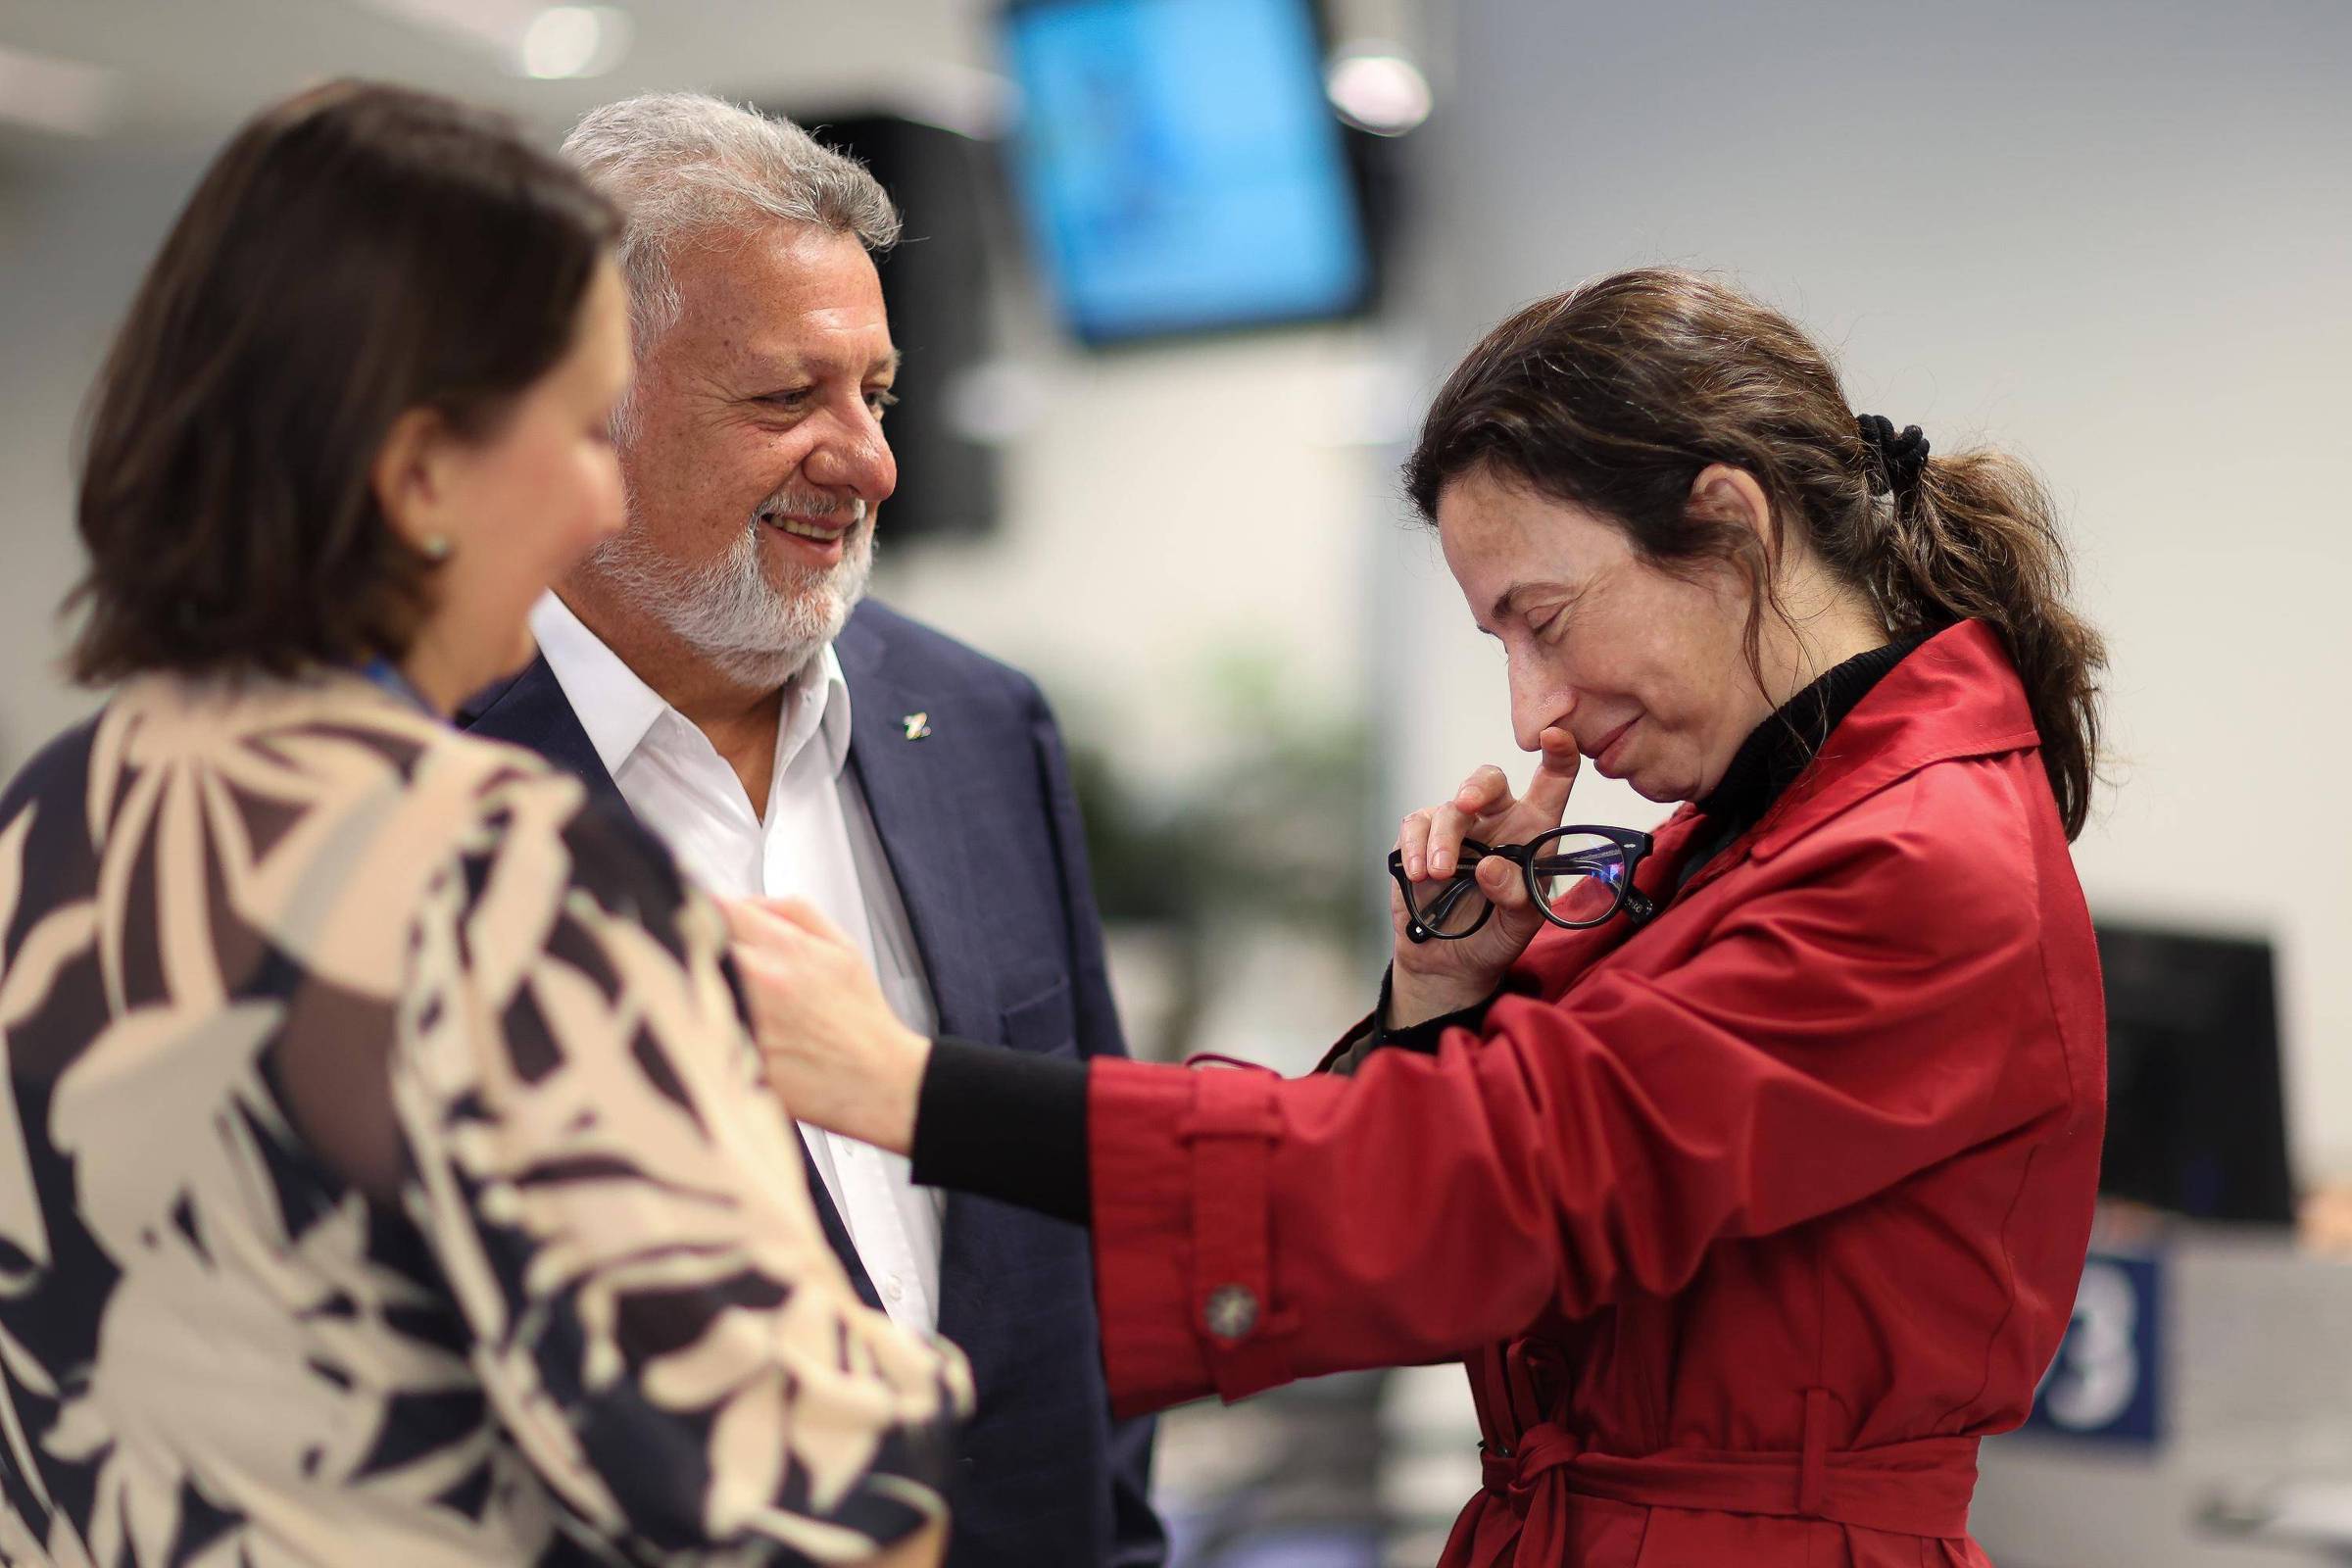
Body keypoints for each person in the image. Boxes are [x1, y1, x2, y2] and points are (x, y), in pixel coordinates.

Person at [727, 269, 2112, 1568]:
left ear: (1734, 527)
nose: (1536, 711)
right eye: (1501, 644)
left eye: (1548, 619)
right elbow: (1451, 1186)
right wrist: (1438, 999)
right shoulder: (1757, 832)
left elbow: (1489, 1176)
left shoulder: (1921, 862)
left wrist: (915, 1091)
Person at [0, 82, 967, 1568]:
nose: (601, 502)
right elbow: (812, 1491)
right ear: (419, 475)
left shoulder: (45, 821)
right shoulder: (486, 865)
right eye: (587, 429)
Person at [453, 93, 1162, 1568]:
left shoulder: (978, 726)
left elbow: (1086, 1216)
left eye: (879, 395)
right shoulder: (401, 785)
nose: (870, 463)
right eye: (788, 402)